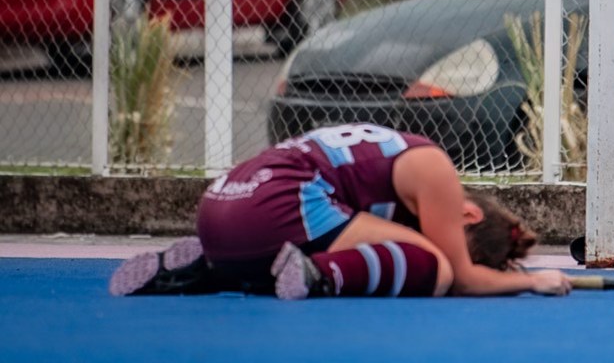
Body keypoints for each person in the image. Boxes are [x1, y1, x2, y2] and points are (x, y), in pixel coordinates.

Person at [109, 123, 572, 300]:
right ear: (468, 214)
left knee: (402, 254)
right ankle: (318, 275)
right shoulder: (435, 168)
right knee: (435, 267)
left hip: (219, 204)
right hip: (276, 202)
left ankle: (204, 271)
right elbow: (461, 276)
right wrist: (533, 281)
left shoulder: (386, 157)